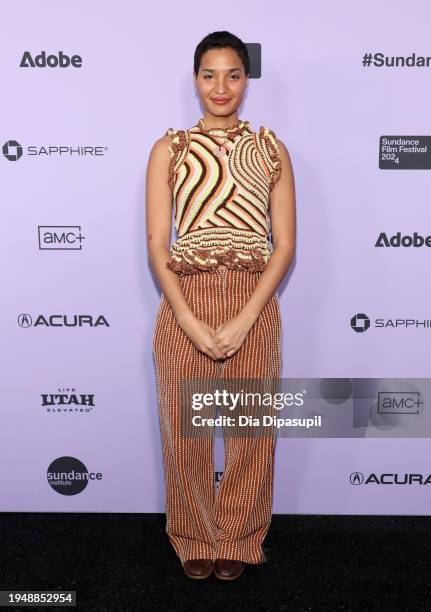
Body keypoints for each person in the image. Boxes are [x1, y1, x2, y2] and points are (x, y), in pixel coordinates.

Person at [146, 30, 296, 581]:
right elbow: (158, 245)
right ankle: (192, 534)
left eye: (233, 74)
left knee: (250, 433)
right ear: (194, 79)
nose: (221, 86)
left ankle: (237, 534)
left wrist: (247, 315)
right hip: (185, 297)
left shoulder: (270, 150)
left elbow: (284, 246)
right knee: (184, 431)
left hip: (253, 300)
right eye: (209, 75)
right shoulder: (170, 149)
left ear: (247, 80)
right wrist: (187, 317)